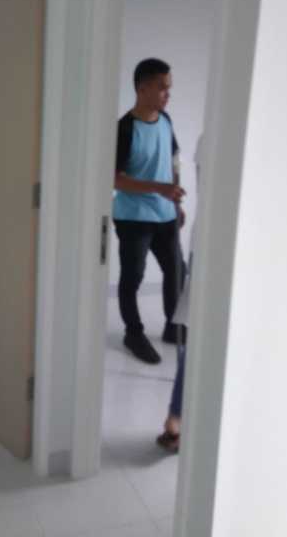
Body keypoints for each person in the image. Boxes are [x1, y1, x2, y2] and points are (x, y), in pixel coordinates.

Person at [113, 58, 185, 365]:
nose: (168, 94)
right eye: (162, 87)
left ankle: (172, 326)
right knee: (133, 278)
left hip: (165, 213)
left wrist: (176, 202)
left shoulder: (165, 119)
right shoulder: (125, 128)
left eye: (169, 87)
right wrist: (159, 188)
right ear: (142, 88)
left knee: (177, 271)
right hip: (133, 217)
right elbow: (114, 179)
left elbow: (174, 159)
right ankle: (133, 334)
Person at [157, 134, 203, 453]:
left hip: (205, 243)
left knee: (199, 338)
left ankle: (176, 418)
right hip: (216, 249)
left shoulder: (201, 138)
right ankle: (177, 418)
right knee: (202, 339)